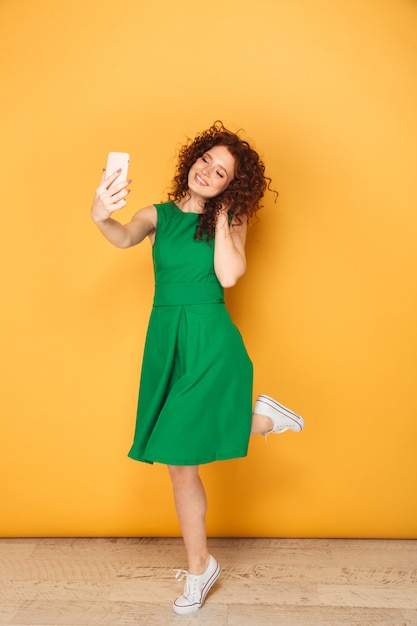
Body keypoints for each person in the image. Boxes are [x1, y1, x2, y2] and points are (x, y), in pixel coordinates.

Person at [91, 121, 304, 615]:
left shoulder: (230, 219)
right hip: (166, 339)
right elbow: (122, 237)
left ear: (233, 185)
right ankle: (201, 565)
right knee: (180, 466)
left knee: (177, 443)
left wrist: (225, 213)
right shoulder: (156, 215)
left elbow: (228, 275)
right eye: (206, 160)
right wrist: (100, 213)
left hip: (210, 338)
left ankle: (265, 420)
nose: (208, 172)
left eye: (223, 173)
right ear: (192, 159)